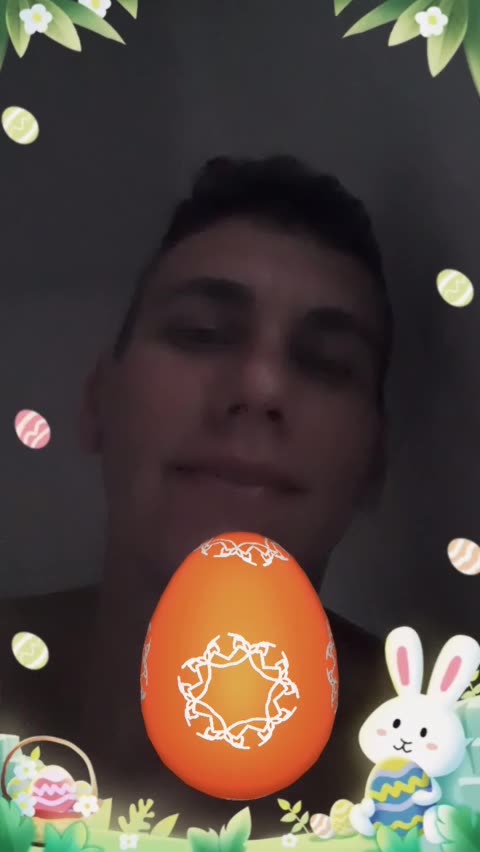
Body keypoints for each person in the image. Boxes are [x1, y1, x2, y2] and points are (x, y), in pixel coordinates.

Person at [0, 155, 393, 837]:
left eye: (328, 364)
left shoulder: (443, 758)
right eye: (201, 333)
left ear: (373, 464)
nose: (262, 387)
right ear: (99, 402)